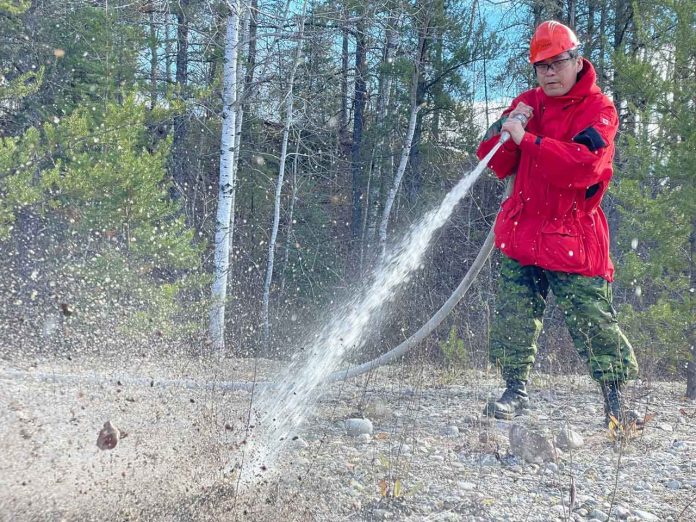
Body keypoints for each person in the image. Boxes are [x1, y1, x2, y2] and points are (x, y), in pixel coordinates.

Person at [476, 21, 640, 427]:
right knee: (514, 316)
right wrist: (506, 127)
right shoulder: (527, 103)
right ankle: (514, 391)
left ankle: (615, 402)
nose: (549, 73)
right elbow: (493, 162)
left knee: (592, 320)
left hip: (572, 235)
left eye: (556, 63)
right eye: (541, 66)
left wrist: (528, 141)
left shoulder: (599, 110)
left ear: (576, 60)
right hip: (523, 231)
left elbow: (583, 166)